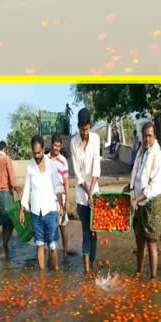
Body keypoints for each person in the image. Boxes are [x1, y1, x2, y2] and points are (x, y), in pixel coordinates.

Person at [125, 121, 161, 280]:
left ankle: (153, 278)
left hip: (152, 203)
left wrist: (137, 200)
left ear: (155, 136)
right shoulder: (142, 151)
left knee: (151, 242)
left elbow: (153, 186)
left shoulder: (158, 156)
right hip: (139, 201)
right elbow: (138, 172)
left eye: (150, 135)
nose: (147, 139)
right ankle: (139, 273)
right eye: (145, 135)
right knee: (139, 240)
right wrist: (131, 185)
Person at [20, 136, 64, 271]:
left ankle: (56, 271)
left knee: (52, 246)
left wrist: (61, 206)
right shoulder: (30, 167)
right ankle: (42, 276)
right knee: (39, 244)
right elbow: (27, 188)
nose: (36, 155)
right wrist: (22, 209)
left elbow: (58, 187)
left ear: (44, 149)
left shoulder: (52, 165)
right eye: (34, 153)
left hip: (50, 210)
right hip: (36, 212)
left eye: (39, 152)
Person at [70, 107, 101, 274]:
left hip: (94, 192)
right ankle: (87, 268)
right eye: (82, 129)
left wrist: (92, 193)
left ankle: (93, 261)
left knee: (95, 231)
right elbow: (77, 173)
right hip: (82, 195)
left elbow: (96, 168)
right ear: (78, 127)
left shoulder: (96, 139)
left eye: (87, 129)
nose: (85, 133)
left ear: (90, 126)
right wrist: (87, 194)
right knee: (85, 231)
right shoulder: (74, 142)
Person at [0, 141, 20, 257]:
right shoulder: (6, 159)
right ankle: (4, 245)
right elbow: (11, 176)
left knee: (4, 223)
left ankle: (5, 246)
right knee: (11, 222)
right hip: (6, 193)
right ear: (5, 149)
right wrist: (16, 187)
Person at [49, 134, 71, 256]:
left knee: (63, 227)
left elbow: (66, 182)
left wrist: (67, 200)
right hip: (49, 198)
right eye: (55, 145)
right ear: (51, 145)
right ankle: (52, 253)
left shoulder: (63, 161)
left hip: (61, 197)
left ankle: (66, 253)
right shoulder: (45, 159)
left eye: (59, 146)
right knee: (51, 227)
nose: (57, 148)